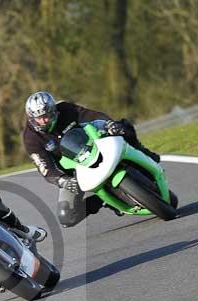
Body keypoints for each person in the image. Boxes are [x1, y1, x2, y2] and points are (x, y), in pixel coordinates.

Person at [22, 90, 161, 227]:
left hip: (94, 145)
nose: (43, 120)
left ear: (53, 111)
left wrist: (109, 124)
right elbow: (45, 168)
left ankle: (143, 153)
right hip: (73, 171)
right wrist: (62, 180)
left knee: (123, 126)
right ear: (31, 118)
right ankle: (101, 200)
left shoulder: (66, 108)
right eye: (38, 118)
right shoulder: (30, 139)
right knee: (67, 217)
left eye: (46, 115)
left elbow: (92, 116)